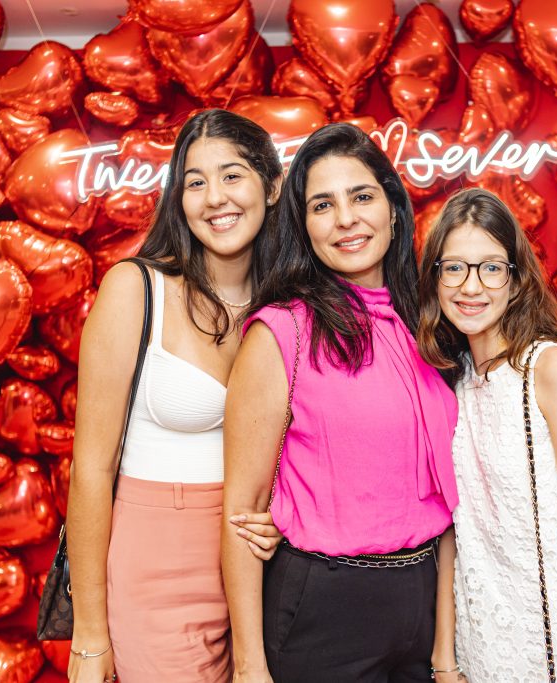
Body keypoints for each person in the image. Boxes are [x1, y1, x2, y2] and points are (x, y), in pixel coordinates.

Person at [222, 123, 459, 683]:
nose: (347, 219)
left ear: (394, 208)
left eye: (362, 197)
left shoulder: (431, 327)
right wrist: (249, 666)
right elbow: (241, 512)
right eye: (322, 205)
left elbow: (452, 498)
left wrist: (445, 652)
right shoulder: (282, 332)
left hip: (422, 603)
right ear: (304, 227)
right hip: (324, 613)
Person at [66, 109, 286, 683]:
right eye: (194, 182)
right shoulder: (136, 289)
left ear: (272, 184)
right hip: (157, 571)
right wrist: (89, 637)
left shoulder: (293, 305)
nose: (215, 198)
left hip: (269, 572)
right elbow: (91, 468)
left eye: (232, 175)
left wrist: (285, 515)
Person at [417, 188, 557, 682]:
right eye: (454, 267)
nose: (471, 286)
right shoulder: (452, 379)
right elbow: (453, 533)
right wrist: (445, 659)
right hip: (479, 645)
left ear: (515, 281)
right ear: (434, 279)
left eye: (491, 267)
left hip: (554, 645)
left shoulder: (551, 368)